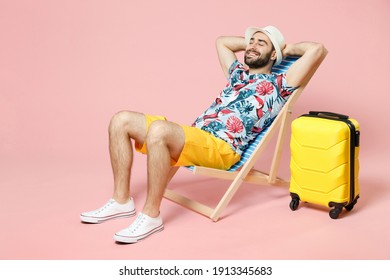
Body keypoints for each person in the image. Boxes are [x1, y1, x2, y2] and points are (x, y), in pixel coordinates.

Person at [80, 25, 327, 243]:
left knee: (159, 131)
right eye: (251, 42)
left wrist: (283, 46)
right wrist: (254, 41)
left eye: (260, 44)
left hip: (222, 148)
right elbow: (222, 41)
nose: (252, 46)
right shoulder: (237, 75)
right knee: (120, 120)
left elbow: (317, 49)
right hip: (196, 135)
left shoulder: (280, 84)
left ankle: (151, 216)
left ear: (274, 54)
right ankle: (122, 201)